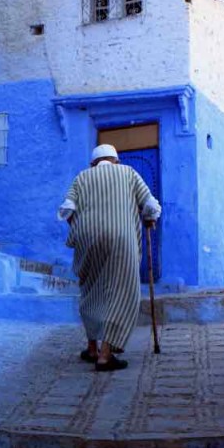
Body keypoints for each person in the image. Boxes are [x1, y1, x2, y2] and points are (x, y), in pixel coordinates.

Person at [57, 143, 161, 372]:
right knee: (123, 291)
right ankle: (105, 355)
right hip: (121, 238)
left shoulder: (82, 177)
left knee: (91, 288)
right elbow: (150, 205)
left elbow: (66, 210)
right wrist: (150, 218)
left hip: (87, 238)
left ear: (93, 163)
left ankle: (91, 347)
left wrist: (80, 226)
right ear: (116, 160)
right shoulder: (129, 173)